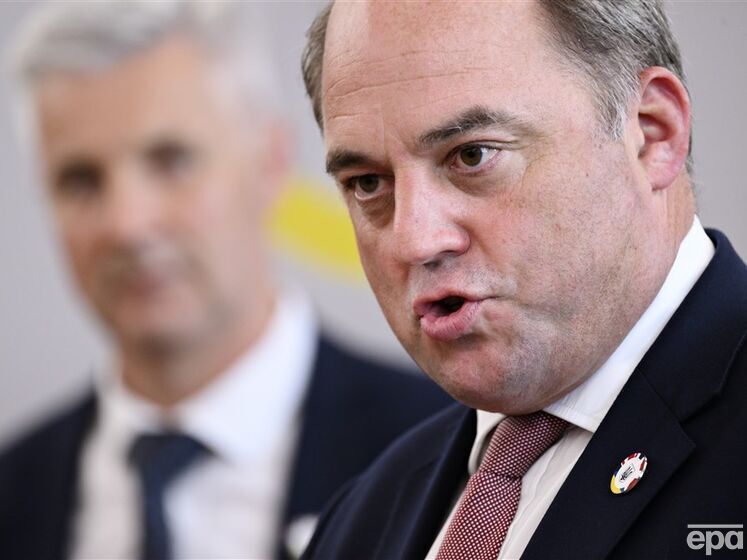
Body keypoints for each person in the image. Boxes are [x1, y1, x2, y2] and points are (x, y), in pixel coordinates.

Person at [0, 2, 452, 560]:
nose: (127, 224)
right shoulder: (13, 494)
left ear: (270, 162)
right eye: (80, 180)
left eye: (171, 160)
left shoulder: (451, 454)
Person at [300, 1, 747, 558]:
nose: (414, 240)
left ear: (653, 134)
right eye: (367, 183)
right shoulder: (359, 523)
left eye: (472, 155)